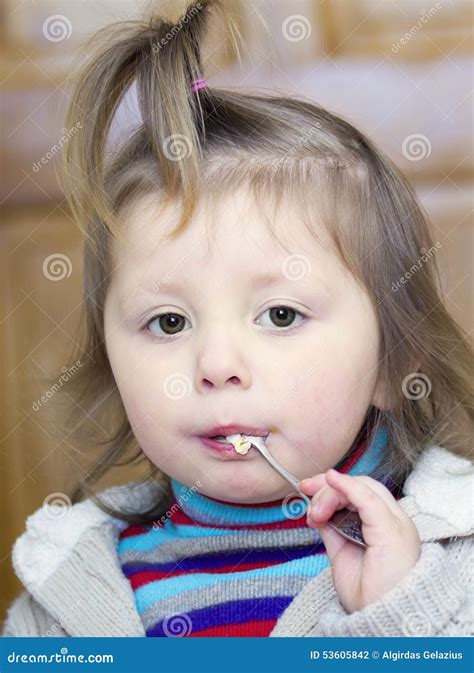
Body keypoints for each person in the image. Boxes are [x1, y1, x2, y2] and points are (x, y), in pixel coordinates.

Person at [3, 0, 472, 638]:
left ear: (393, 360)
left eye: (280, 314)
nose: (217, 366)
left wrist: (395, 619)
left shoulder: (452, 567)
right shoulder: (64, 598)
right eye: (169, 324)